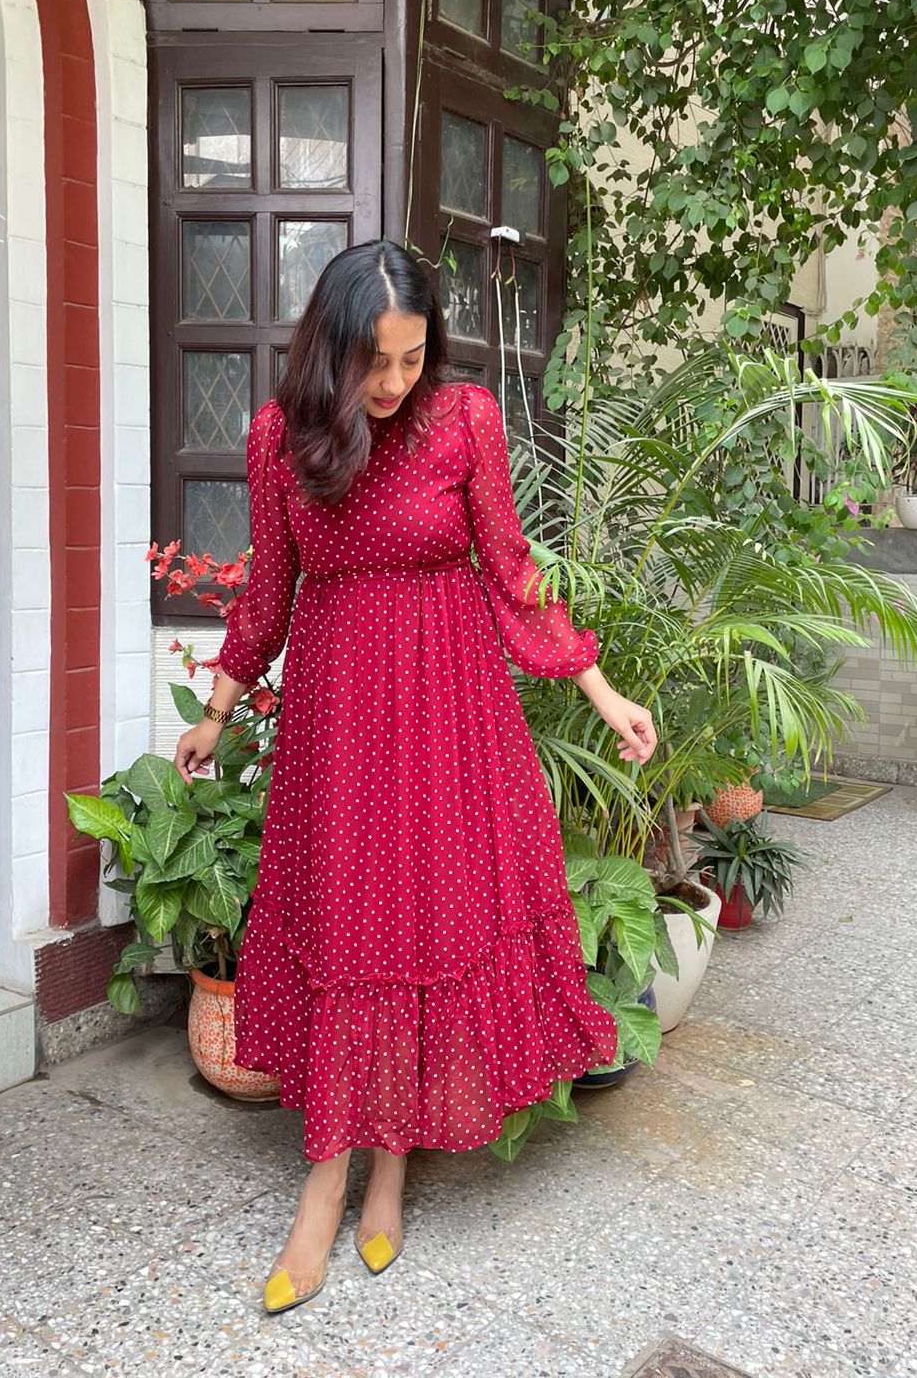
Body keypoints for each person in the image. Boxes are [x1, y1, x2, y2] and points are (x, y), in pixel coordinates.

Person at [173, 240, 658, 1314]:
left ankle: (388, 1167)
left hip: (448, 712)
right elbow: (268, 597)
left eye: (410, 357)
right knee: (349, 927)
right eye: (374, 361)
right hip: (338, 725)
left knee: (424, 924)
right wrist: (215, 712)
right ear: (332, 347)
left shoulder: (465, 420)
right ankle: (326, 1181)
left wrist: (602, 691)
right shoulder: (281, 438)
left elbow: (514, 574)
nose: (393, 382)